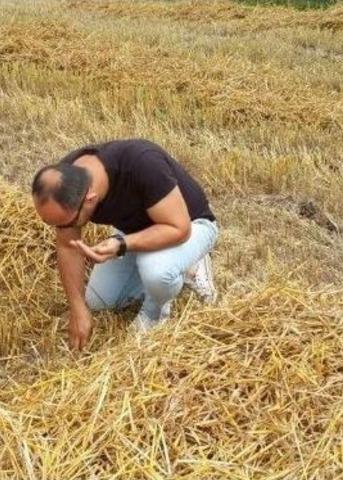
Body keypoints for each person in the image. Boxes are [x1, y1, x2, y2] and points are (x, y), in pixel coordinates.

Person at [31, 139, 219, 350]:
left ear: (90, 199)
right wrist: (78, 308)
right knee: (100, 301)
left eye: (67, 223)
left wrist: (122, 244)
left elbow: (179, 228)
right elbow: (67, 245)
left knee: (157, 272)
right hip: (138, 230)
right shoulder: (65, 181)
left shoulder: (143, 163)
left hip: (190, 226)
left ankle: (161, 303)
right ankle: (161, 272)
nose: (62, 229)